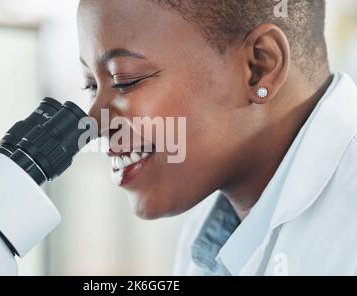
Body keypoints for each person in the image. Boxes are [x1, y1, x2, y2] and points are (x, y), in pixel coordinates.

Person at [77, 0, 357, 275]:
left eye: (126, 80)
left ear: (258, 68)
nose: (94, 123)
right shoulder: (207, 235)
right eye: (91, 85)